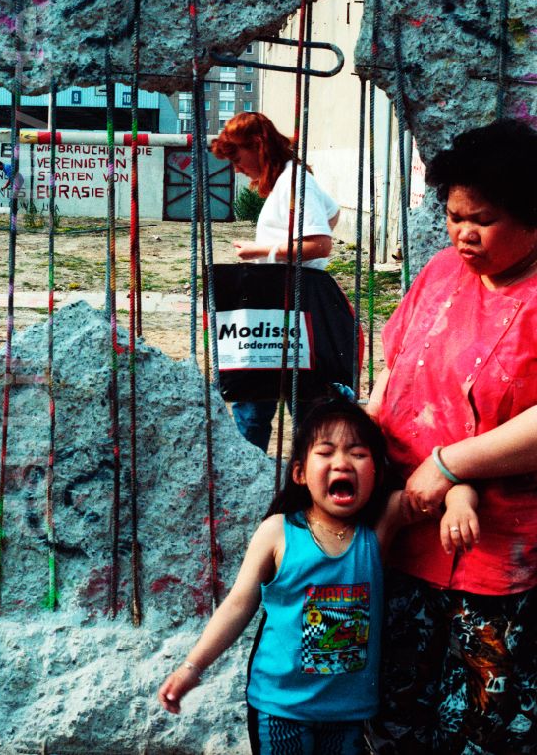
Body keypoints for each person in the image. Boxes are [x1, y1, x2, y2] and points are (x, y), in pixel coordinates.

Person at [157, 399, 476, 755]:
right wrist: (193, 666)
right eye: (326, 452)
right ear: (300, 473)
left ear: (377, 473)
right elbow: (237, 604)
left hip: (349, 715)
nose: (342, 462)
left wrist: (461, 503)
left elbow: (440, 487)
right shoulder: (277, 533)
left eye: (358, 453)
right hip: (280, 709)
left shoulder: (378, 530)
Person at [365, 118, 537, 754]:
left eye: (483, 219)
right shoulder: (441, 271)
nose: (463, 233)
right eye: (453, 214)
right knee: (393, 709)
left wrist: (451, 464)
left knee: (488, 723)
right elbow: (394, 370)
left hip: (493, 552)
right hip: (401, 529)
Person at [210, 112, 341, 450]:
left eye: (237, 157)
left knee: (261, 400)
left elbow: (320, 243)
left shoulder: (294, 181)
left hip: (288, 301)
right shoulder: (291, 179)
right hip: (282, 302)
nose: (236, 169)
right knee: (274, 395)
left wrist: (264, 250)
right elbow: (331, 213)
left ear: (258, 146)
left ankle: (261, 481)